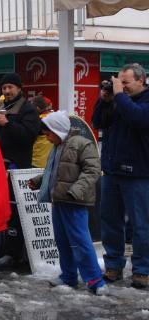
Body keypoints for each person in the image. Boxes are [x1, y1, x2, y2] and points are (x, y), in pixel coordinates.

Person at [28, 111, 107, 295]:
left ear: (58, 130)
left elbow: (92, 170)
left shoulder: (82, 144)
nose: (47, 138)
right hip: (60, 200)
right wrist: (40, 180)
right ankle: (68, 275)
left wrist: (76, 191)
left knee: (80, 241)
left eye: (48, 134)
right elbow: (55, 171)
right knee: (62, 241)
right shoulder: (57, 147)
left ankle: (95, 280)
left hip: (74, 201)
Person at [92, 63, 149, 289]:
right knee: (110, 222)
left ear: (141, 80)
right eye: (120, 82)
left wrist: (118, 96)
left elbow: (138, 119)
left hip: (139, 175)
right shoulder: (118, 101)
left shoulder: (143, 102)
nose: (121, 87)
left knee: (141, 226)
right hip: (113, 172)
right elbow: (98, 122)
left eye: (126, 83)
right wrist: (104, 100)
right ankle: (113, 266)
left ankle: (142, 271)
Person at [0, 72, 40, 283]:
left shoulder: (28, 109)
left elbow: (29, 135)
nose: (6, 92)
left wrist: (7, 124)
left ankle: (14, 254)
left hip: (16, 168)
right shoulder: (0, 108)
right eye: (4, 88)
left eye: (10, 88)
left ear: (19, 89)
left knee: (14, 214)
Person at [31, 95, 54, 168]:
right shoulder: (55, 117)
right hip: (52, 161)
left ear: (37, 108)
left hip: (37, 161)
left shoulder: (38, 121)